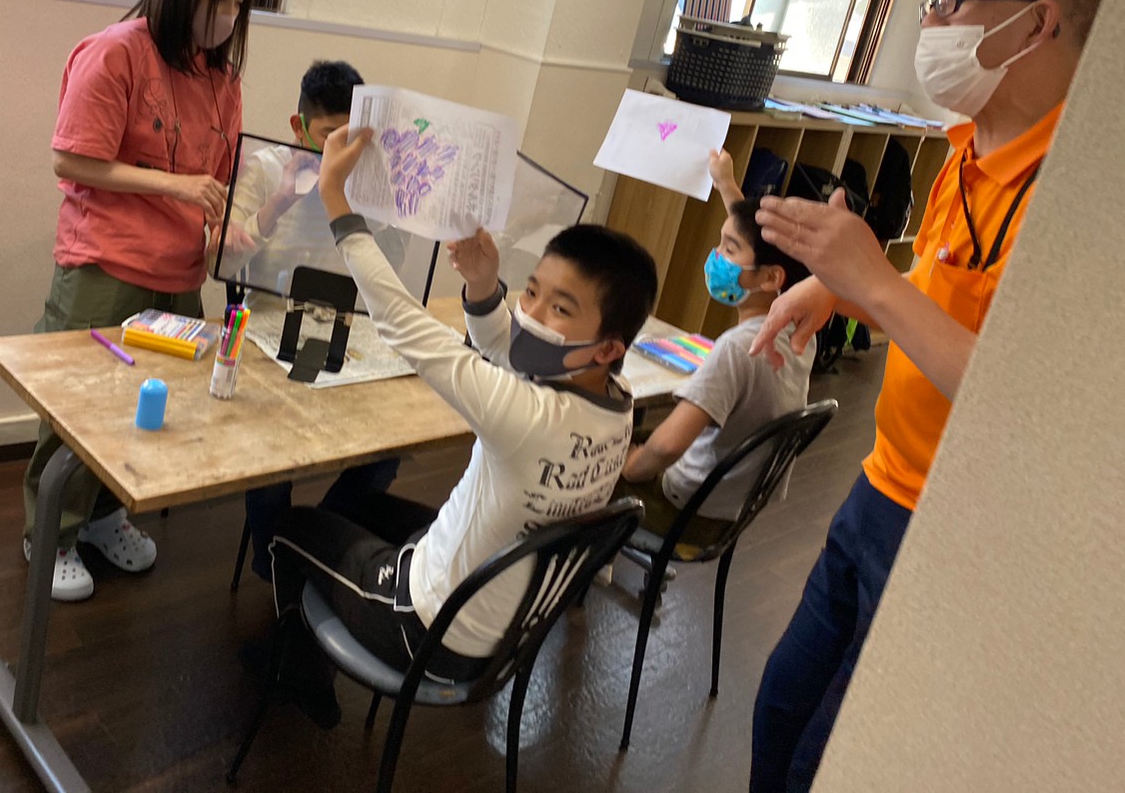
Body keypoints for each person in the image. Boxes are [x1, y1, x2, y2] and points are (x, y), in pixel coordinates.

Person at [746, 0, 1117, 791]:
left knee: (833, 760)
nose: (932, 18)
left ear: (1036, 24)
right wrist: (835, 286)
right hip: (878, 484)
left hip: (956, 528)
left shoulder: (1081, 202)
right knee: (780, 707)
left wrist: (868, 281)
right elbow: (934, 288)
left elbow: (1017, 399)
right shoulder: (966, 147)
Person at [256, 123, 659, 727]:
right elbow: (508, 352)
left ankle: (299, 678)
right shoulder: (617, 402)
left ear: (607, 347)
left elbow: (402, 323)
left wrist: (339, 203)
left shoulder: (527, 416)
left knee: (289, 527)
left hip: (430, 633)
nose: (532, 314)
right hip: (503, 624)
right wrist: (482, 285)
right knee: (359, 506)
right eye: (531, 292)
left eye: (560, 308)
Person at [21, 0, 257, 603]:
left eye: (238, 4)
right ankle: (50, 533)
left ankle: (102, 518)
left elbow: (216, 182)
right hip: (106, 265)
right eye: (219, 0)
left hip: (178, 273)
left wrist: (224, 233)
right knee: (81, 403)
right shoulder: (116, 53)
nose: (228, 16)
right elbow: (71, 159)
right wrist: (177, 187)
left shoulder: (222, 80)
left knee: (149, 404)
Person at [220, 60, 402, 581]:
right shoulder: (264, 169)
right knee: (270, 454)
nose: (342, 150)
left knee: (387, 451)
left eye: (353, 137)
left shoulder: (365, 175)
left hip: (349, 334)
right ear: (298, 127)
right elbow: (223, 259)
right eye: (329, 136)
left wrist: (384, 201)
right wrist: (281, 200)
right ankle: (276, 562)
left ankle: (311, 540)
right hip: (270, 333)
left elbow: (391, 268)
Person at [615, 150, 814, 549]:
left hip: (688, 513)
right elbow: (752, 233)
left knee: (587, 457)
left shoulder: (738, 350)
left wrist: (626, 467)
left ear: (771, 277)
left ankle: (586, 563)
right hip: (734, 504)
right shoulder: (802, 328)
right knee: (627, 434)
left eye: (729, 250)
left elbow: (667, 447)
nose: (716, 257)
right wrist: (726, 184)